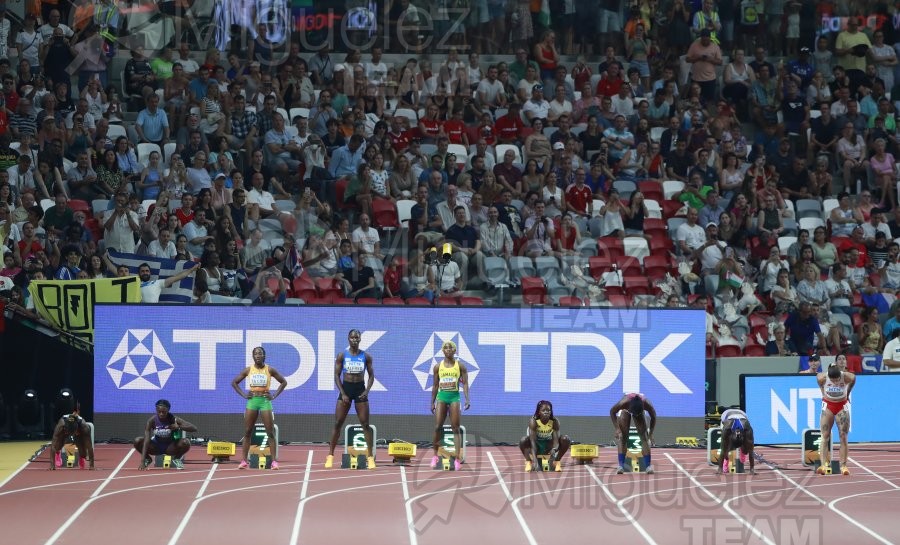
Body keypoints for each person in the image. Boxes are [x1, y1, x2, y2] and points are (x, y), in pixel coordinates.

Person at [325, 329, 376, 469]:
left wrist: (367, 391)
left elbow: (371, 376)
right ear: (348, 339)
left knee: (365, 424)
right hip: (346, 390)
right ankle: (330, 455)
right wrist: (343, 393)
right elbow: (336, 375)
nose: (354, 340)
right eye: (352, 337)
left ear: (360, 339)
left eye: (356, 338)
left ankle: (370, 457)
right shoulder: (342, 355)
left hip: (360, 390)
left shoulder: (366, 356)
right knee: (337, 423)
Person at [231, 347, 288, 470]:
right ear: (253, 356)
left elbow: (283, 382)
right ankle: (244, 461)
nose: (258, 355)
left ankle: (274, 462)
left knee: (270, 432)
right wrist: (245, 395)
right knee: (247, 432)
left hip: (265, 401)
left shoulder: (269, 369)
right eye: (255, 354)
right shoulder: (248, 370)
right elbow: (234, 382)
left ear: (264, 356)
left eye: (260, 353)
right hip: (252, 402)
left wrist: (273, 395)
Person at [430, 340, 471, 471]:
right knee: (437, 427)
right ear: (442, 351)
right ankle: (435, 456)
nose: (448, 350)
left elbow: (465, 383)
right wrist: (431, 402)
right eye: (445, 348)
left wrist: (467, 399)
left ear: (455, 351)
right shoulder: (437, 367)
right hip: (442, 397)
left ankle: (458, 458)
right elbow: (435, 385)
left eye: (450, 348)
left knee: (456, 428)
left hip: (454, 397)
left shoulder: (460, 366)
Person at [133, 399, 198, 470]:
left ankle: (177, 459)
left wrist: (179, 426)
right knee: (137, 440)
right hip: (156, 446)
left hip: (170, 447)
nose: (161, 414)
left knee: (186, 442)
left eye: (164, 412)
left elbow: (194, 428)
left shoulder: (174, 419)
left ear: (168, 410)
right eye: (159, 412)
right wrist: (142, 461)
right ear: (156, 410)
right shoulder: (151, 421)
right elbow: (146, 441)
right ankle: (148, 459)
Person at [816, 362, 856, 475]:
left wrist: (847, 393)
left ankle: (843, 466)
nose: (834, 382)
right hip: (828, 406)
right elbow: (818, 380)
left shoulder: (847, 376)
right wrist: (822, 392)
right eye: (832, 380)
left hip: (841, 406)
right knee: (825, 436)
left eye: (837, 380)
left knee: (843, 436)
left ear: (840, 375)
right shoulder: (822, 377)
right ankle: (823, 464)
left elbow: (854, 379)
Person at [609, 393, 657, 474]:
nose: (635, 416)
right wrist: (617, 429)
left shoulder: (647, 404)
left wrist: (651, 433)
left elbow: (653, 417)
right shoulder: (623, 403)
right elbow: (612, 411)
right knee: (622, 436)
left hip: (638, 408)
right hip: (626, 410)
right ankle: (620, 466)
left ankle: (648, 466)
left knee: (644, 437)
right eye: (634, 414)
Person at [519, 400, 570, 472]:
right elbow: (532, 442)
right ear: (539, 412)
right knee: (523, 440)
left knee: (565, 439)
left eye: (548, 410)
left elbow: (556, 440)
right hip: (536, 444)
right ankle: (528, 461)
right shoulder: (533, 421)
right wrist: (535, 461)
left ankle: (557, 461)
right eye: (543, 410)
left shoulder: (554, 421)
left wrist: (554, 449)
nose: (546, 412)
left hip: (547, 444)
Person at [715, 408, 755, 475]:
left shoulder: (747, 427)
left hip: (742, 415)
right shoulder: (727, 428)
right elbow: (723, 449)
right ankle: (725, 462)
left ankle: (743, 452)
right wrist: (720, 468)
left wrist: (752, 469)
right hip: (726, 415)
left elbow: (751, 451)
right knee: (725, 447)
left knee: (748, 448)